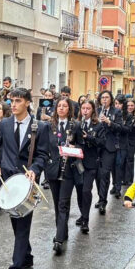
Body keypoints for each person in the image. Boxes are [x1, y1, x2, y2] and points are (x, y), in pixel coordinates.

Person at [0, 88, 48, 269]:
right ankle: (27, 255)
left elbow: (42, 155)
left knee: (22, 226)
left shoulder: (40, 127)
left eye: (18, 101)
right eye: (11, 100)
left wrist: (34, 169)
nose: (13, 104)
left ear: (28, 103)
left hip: (25, 183)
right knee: (16, 224)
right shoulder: (4, 124)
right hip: (7, 183)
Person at [44, 97, 81, 254]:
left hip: (69, 170)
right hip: (53, 169)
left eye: (64, 106)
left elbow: (81, 146)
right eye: (59, 106)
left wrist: (73, 147)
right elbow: (44, 147)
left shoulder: (75, 126)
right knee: (56, 203)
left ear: (69, 109)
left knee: (63, 204)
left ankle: (58, 239)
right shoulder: (49, 126)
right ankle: (63, 231)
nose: (61, 108)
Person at [74, 100, 105, 232]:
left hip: (91, 163)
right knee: (80, 190)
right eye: (83, 108)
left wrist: (89, 138)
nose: (85, 111)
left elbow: (102, 143)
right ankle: (83, 214)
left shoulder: (98, 126)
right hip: (77, 162)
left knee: (87, 191)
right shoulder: (76, 124)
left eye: (88, 108)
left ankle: (86, 220)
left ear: (92, 110)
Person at [96, 90, 123, 214]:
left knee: (105, 174)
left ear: (111, 99)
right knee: (97, 175)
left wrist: (108, 122)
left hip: (109, 146)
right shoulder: (96, 110)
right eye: (102, 98)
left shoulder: (116, 112)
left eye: (107, 97)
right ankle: (100, 196)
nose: (104, 100)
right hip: (96, 146)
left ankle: (103, 201)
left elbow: (120, 128)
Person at [111, 95, 129, 199]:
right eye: (116, 104)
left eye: (119, 104)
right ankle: (114, 185)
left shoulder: (128, 116)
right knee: (113, 166)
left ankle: (118, 188)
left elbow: (127, 129)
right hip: (113, 143)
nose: (117, 106)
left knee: (119, 166)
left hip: (122, 144)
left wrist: (117, 125)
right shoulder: (113, 113)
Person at [123, 99, 135, 186]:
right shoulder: (123, 115)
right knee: (123, 159)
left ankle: (129, 179)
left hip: (132, 139)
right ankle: (124, 178)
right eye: (128, 106)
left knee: (130, 158)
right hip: (124, 139)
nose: (130, 107)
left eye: (132, 106)